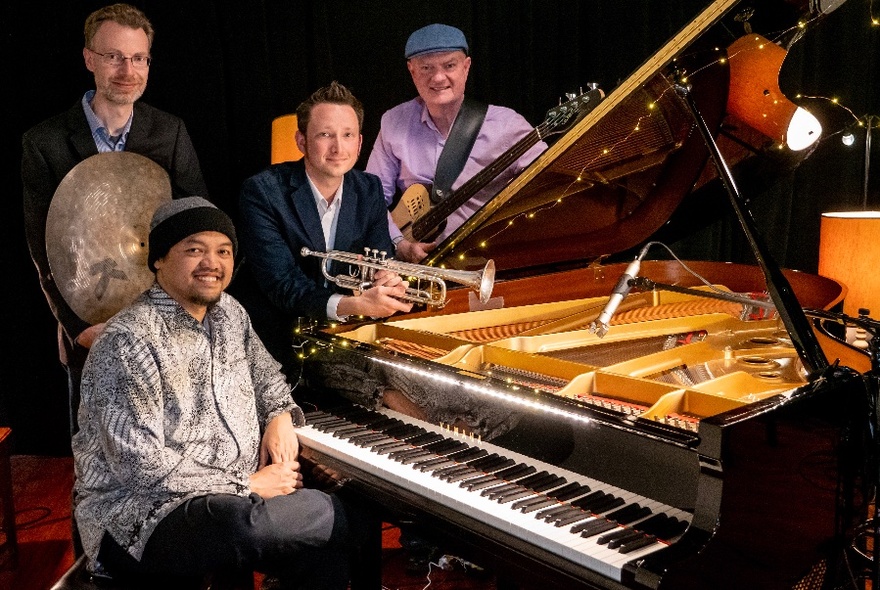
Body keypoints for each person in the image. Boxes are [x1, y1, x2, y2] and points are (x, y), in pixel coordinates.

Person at [72, 197, 359, 589]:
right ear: (159, 260)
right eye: (194, 250)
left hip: (230, 499)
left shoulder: (230, 313)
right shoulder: (128, 341)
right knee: (251, 524)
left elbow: (270, 381)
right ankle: (328, 515)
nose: (212, 263)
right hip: (138, 517)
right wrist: (249, 486)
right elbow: (143, 468)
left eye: (223, 251)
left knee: (314, 543)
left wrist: (279, 416)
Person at [21, 3, 207, 435]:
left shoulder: (170, 131)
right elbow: (42, 250)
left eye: (139, 58)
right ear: (89, 59)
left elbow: (198, 224)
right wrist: (80, 329)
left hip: (165, 323)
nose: (128, 69)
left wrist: (185, 312)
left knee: (172, 445)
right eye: (114, 56)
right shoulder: (44, 143)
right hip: (91, 328)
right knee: (97, 457)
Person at [238, 81, 412, 378]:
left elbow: (379, 257)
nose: (338, 148)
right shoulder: (263, 192)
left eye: (347, 135)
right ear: (301, 140)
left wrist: (387, 280)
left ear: (359, 143)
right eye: (325, 135)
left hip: (339, 338)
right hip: (273, 345)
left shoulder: (368, 189)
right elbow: (282, 284)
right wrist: (354, 303)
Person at [366, 23, 548, 263]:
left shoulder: (507, 126)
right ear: (412, 71)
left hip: (489, 261)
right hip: (418, 268)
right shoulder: (393, 122)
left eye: (449, 65)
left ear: (466, 67)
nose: (438, 77)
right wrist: (399, 244)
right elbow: (370, 198)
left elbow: (552, 183)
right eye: (426, 68)